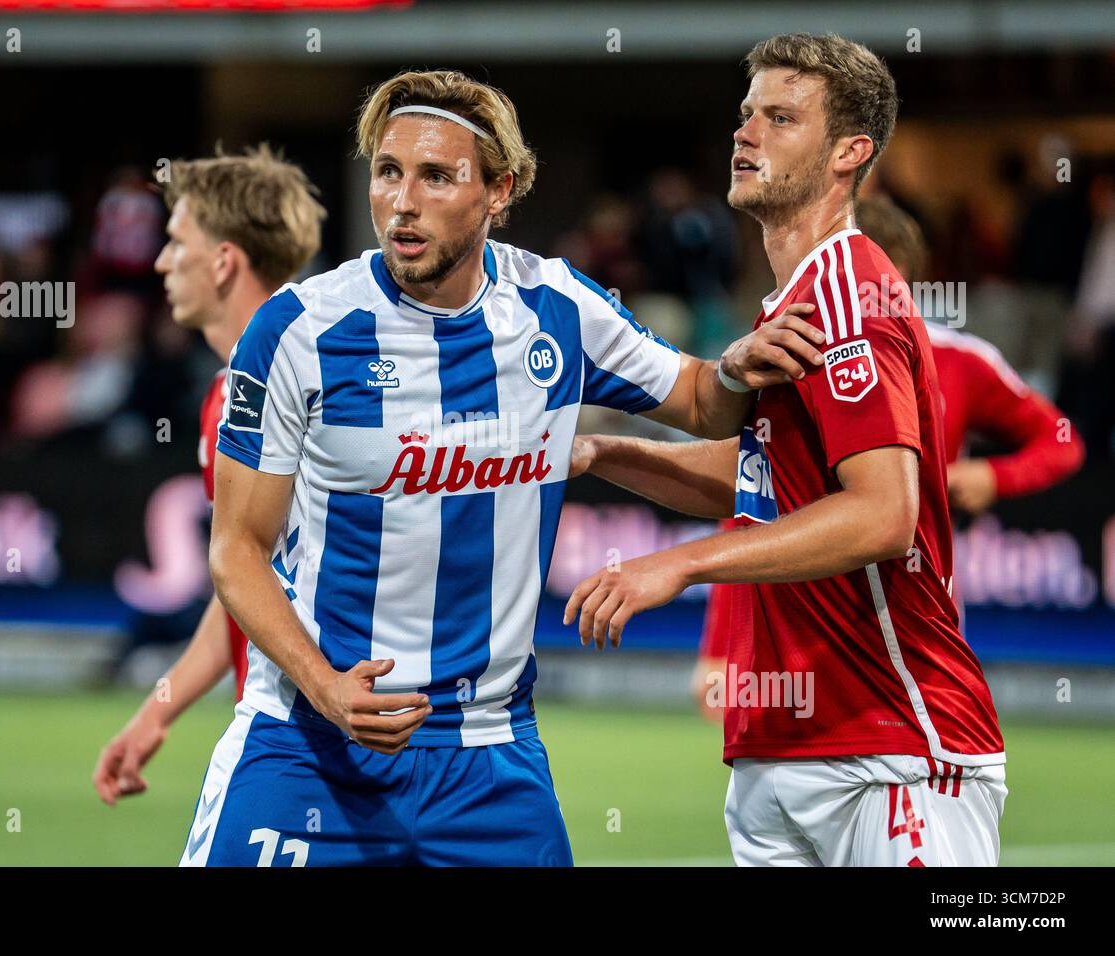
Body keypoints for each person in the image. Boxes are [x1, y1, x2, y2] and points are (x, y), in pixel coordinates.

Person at [180, 68, 823, 867]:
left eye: (437, 176)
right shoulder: (297, 332)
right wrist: (323, 684)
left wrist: (732, 368)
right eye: (388, 171)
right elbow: (236, 552)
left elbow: (700, 400)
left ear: (499, 191)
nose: (402, 201)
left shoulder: (555, 307)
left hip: (490, 761)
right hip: (309, 747)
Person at [567, 34, 1006, 866]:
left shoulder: (847, 287)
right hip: (780, 749)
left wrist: (680, 566)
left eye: (779, 117)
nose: (746, 133)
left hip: (890, 751)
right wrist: (609, 455)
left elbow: (882, 516)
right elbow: (768, 483)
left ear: (850, 152)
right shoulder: (791, 300)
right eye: (745, 115)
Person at [691, 196, 1088, 721]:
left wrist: (994, 475)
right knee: (792, 778)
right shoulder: (791, 353)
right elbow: (749, 497)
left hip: (914, 609)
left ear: (904, 278)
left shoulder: (959, 360)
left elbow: (1062, 440)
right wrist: (720, 645)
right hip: (802, 611)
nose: (856, 299)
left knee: (917, 764)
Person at [92, 145, 325, 806]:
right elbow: (239, 589)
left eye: (175, 242)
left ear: (223, 260)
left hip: (300, 738)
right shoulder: (243, 387)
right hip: (319, 731)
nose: (161, 261)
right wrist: (157, 711)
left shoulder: (274, 390)